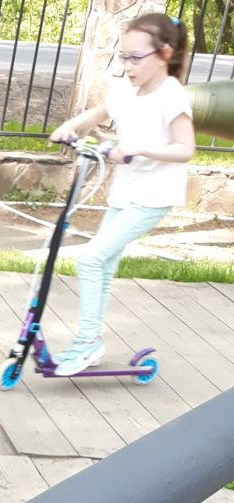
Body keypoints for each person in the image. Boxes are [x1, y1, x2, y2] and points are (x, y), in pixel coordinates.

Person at [49, 14, 195, 376]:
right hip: (125, 193)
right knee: (104, 264)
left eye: (136, 58)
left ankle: (86, 342)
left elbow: (185, 149)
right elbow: (97, 113)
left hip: (152, 197)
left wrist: (138, 148)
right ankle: (90, 342)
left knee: (90, 259)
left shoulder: (171, 95)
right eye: (124, 56)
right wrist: (70, 126)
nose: (128, 65)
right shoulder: (128, 91)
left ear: (164, 55)